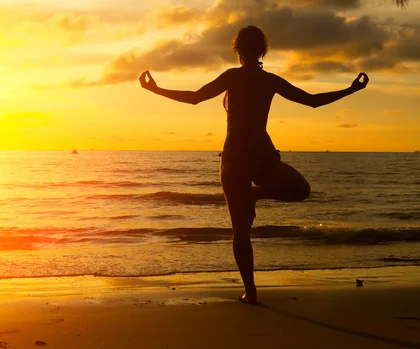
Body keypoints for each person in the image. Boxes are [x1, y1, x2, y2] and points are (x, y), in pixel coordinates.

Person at [139, 25, 369, 304]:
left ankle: (251, 290)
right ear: (262, 50)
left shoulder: (233, 77)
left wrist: (155, 89)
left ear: (237, 50)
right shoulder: (269, 80)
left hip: (235, 158)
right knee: (301, 190)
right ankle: (255, 198)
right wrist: (350, 90)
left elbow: (194, 97)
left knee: (241, 230)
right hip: (261, 155)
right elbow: (312, 102)